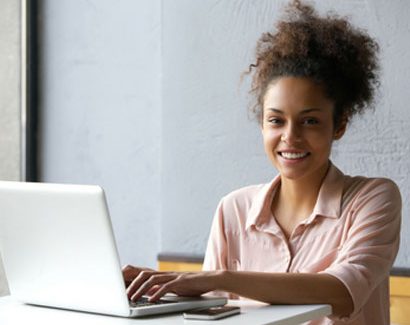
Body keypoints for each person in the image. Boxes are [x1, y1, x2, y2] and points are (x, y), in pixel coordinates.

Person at [122, 1, 402, 324]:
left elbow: (341, 290)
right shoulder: (233, 210)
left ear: (339, 124)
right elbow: (209, 313)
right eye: (276, 121)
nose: (290, 136)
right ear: (262, 125)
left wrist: (221, 277)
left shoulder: (373, 199)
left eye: (309, 121)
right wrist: (159, 289)